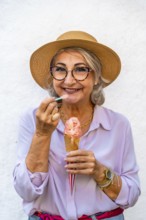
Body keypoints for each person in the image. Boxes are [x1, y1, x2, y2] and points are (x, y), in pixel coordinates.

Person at [13, 31, 140, 220]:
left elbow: (131, 196)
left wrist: (98, 170)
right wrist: (41, 134)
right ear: (52, 75)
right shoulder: (33, 119)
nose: (69, 80)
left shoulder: (118, 124)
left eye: (81, 69)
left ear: (96, 77)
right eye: (60, 69)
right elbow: (27, 192)